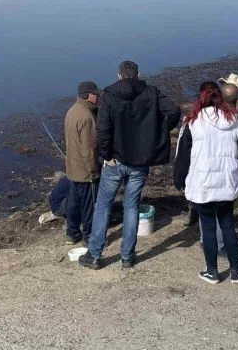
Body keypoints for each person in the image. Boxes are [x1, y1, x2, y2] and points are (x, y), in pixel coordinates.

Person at [79, 60, 181, 270]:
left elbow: (103, 130)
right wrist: (157, 134)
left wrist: (106, 155)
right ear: (138, 74)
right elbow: (173, 112)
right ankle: (127, 256)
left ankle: (95, 254)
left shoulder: (108, 95)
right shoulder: (152, 92)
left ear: (119, 76)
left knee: (103, 206)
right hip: (140, 160)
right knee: (131, 206)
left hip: (115, 160)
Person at [174, 81, 238, 284]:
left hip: (203, 183)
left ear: (200, 98)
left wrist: (179, 179)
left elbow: (183, 156)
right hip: (227, 181)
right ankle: (236, 271)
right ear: (220, 97)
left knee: (208, 228)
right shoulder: (234, 120)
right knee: (227, 225)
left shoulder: (193, 122)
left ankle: (212, 271)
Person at [63, 81, 102, 245]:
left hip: (73, 168)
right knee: (89, 206)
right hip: (86, 172)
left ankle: (72, 233)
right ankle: (89, 236)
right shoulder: (87, 117)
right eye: (96, 94)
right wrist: (94, 172)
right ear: (88, 95)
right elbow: (89, 150)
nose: (98, 96)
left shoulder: (72, 111)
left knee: (74, 203)